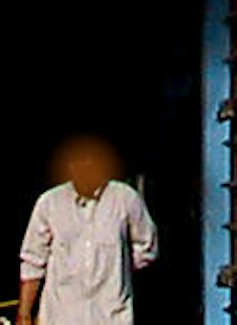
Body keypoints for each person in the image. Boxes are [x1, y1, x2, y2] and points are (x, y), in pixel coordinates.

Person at [20, 136, 156, 325]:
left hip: (111, 317)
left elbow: (146, 249)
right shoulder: (49, 203)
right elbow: (33, 261)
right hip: (60, 316)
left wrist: (119, 269)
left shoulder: (126, 199)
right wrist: (24, 313)